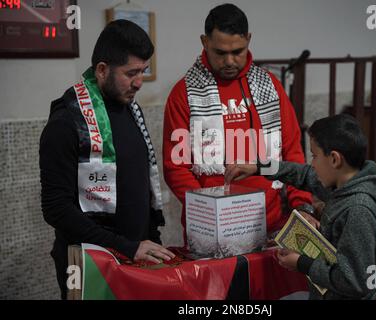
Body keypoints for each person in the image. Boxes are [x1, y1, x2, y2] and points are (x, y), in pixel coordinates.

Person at [40, 20, 175, 299]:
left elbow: (140, 184)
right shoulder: (66, 122)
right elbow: (55, 209)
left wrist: (149, 241)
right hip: (87, 262)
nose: (140, 82)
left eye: (144, 71)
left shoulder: (130, 110)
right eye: (132, 73)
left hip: (134, 256)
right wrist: (124, 245)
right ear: (102, 70)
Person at [163, 3, 312, 241]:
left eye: (238, 51)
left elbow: (292, 152)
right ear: (204, 42)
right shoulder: (185, 93)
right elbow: (176, 168)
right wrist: (209, 212)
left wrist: (302, 206)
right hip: (210, 228)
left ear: (249, 39)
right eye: (220, 53)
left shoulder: (270, 86)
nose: (230, 61)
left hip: (271, 223)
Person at [224, 113, 376, 299]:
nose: (312, 164)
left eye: (315, 156)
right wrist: (259, 167)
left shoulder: (358, 210)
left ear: (334, 159)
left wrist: (303, 263)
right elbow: (302, 174)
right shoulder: (342, 183)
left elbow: (356, 282)